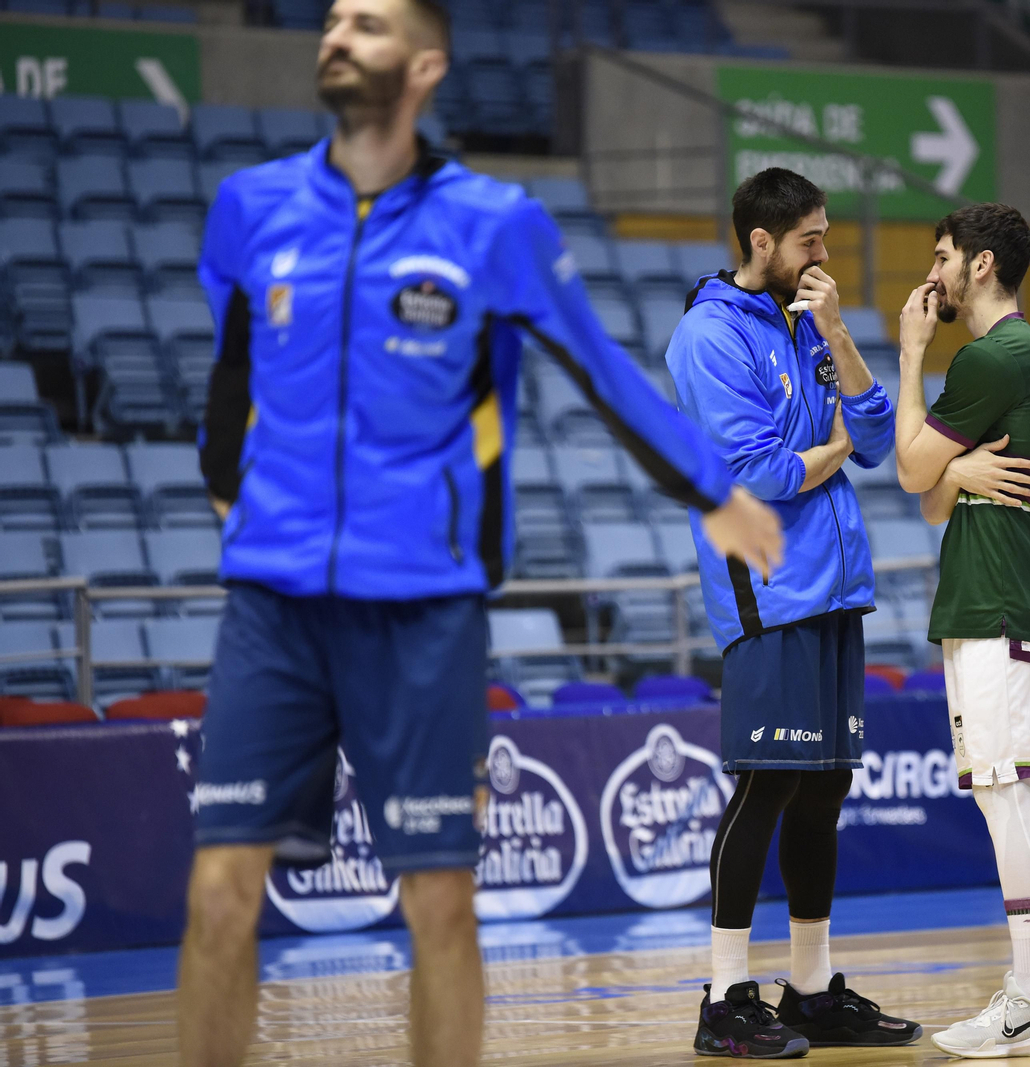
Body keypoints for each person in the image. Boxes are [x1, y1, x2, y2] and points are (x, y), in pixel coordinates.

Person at [177, 0, 783, 1063]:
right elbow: (231, 374)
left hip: (423, 611)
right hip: (271, 607)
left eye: (364, 23)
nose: (335, 33)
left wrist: (711, 489)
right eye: (330, 18)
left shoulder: (496, 223)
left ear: (424, 67)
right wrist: (225, 487)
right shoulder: (249, 206)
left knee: (440, 904)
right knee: (220, 895)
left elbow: (600, 367)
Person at [665, 168, 922, 1058]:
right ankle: (724, 997)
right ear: (760, 242)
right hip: (768, 591)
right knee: (766, 784)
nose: (825, 254)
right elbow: (762, 475)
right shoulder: (707, 335)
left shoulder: (808, 321)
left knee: (825, 790)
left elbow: (882, 439)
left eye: (825, 236)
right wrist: (836, 446)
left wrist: (839, 333)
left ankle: (809, 988)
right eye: (809, 239)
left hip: (838, 587)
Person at [893, 203, 1030, 1058]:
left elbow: (904, 469)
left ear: (984, 264)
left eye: (943, 258)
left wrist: (911, 356)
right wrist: (956, 466)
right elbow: (932, 498)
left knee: (1009, 792)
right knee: (1008, 790)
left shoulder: (994, 356)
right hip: (984, 595)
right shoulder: (1006, 360)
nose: (934, 275)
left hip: (1001, 596)